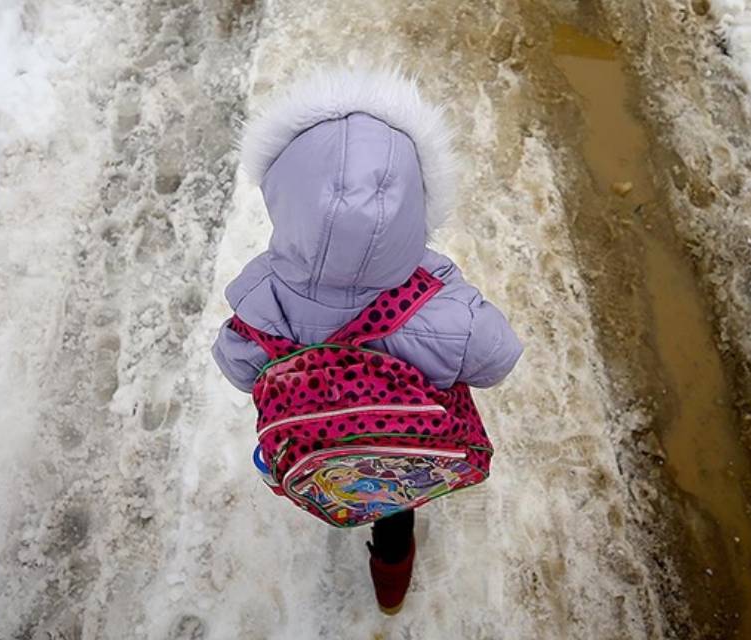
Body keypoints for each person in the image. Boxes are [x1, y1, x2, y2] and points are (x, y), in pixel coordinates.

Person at [211, 69, 523, 614]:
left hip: (315, 443)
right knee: (393, 505)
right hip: (398, 446)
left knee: (338, 473)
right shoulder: (441, 310)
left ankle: (335, 495)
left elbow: (237, 364)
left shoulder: (263, 299)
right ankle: (391, 588)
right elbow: (497, 358)